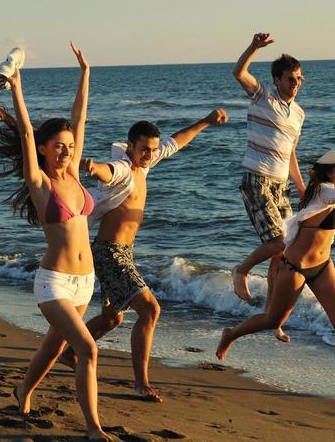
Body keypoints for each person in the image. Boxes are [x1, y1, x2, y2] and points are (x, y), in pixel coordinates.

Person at [0, 43, 112, 442]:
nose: (66, 151)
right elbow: (25, 130)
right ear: (43, 149)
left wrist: (86, 74)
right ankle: (93, 426)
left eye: (70, 146)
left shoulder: (74, 173)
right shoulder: (40, 184)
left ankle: (23, 390)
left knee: (55, 349)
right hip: (54, 283)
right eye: (58, 146)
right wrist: (17, 88)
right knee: (87, 349)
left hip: (84, 281)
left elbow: (79, 116)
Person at [216, 148, 335, 400]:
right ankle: (230, 334)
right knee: (272, 321)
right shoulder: (322, 192)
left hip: (322, 267)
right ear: (329, 172)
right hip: (295, 267)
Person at [81, 108, 229, 402]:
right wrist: (93, 167)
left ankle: (71, 350)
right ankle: (140, 383)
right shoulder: (123, 167)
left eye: (151, 150)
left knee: (111, 319)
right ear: (131, 146)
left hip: (121, 252)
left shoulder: (144, 166)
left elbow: (176, 142)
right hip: (110, 254)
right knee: (150, 310)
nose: (149, 154)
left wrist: (206, 122)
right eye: (144, 150)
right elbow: (107, 172)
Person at [229, 32, 306, 305]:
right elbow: (239, 72)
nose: (296, 83)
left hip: (280, 184)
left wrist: (300, 186)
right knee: (277, 241)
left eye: (299, 78)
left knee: (284, 252)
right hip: (257, 178)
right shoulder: (263, 96)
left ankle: (272, 309)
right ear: (277, 80)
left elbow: (290, 152)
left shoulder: (298, 114)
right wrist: (253, 46)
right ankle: (241, 270)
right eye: (290, 79)